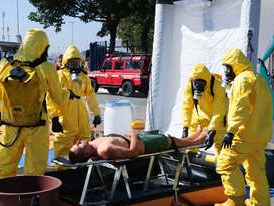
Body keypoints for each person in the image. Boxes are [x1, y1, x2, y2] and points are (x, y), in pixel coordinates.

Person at [0, 29, 80, 180]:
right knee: (34, 168)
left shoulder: (4, 65)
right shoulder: (45, 67)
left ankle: (2, 197)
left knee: (5, 165)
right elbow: (58, 98)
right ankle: (30, 199)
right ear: (43, 47)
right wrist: (69, 94)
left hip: (11, 124)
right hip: (37, 125)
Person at [214, 48, 272, 206]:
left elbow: (241, 108)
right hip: (260, 135)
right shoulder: (259, 79)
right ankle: (260, 202)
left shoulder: (242, 80)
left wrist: (230, 132)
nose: (226, 71)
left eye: (227, 67)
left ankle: (235, 199)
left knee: (225, 163)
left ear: (235, 65)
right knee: (255, 169)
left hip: (243, 134)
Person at [47, 45, 101, 165]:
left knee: (85, 146)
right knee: (63, 146)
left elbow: (91, 95)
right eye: (72, 62)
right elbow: (51, 98)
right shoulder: (60, 75)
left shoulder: (84, 77)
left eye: (77, 62)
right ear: (66, 62)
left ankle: (83, 171)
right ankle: (62, 172)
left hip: (82, 118)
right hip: (65, 118)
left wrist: (96, 113)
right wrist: (54, 118)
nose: (75, 65)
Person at [69, 129, 206, 163]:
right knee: (168, 141)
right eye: (79, 145)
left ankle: (192, 137)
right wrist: (134, 134)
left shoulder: (93, 145)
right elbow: (133, 153)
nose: (77, 142)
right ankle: (197, 141)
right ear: (86, 153)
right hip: (143, 145)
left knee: (169, 138)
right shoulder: (103, 150)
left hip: (137, 139)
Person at [181, 64, 228, 156]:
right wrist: (185, 126)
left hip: (218, 118)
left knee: (221, 146)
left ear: (207, 80)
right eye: (196, 82)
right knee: (191, 145)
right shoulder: (190, 85)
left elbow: (219, 110)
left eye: (201, 82)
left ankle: (223, 166)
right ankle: (191, 161)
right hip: (200, 117)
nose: (198, 85)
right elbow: (187, 106)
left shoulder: (218, 87)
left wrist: (212, 130)